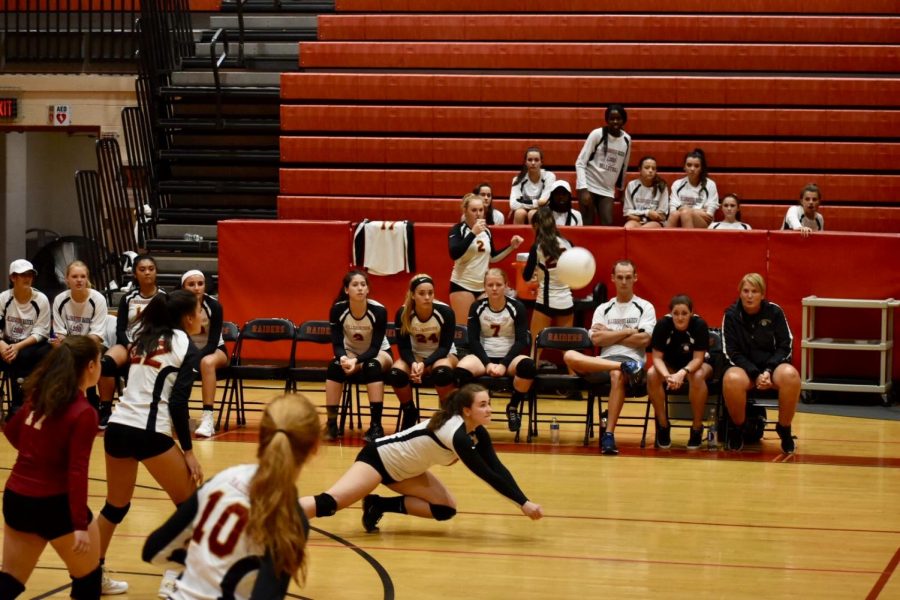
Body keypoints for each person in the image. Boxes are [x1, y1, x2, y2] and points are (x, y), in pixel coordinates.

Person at [143, 394, 320, 599]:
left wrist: (205, 562)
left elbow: (152, 549)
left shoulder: (222, 479)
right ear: (314, 447)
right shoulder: (291, 515)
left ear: (262, 436)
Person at [299, 384, 543, 532]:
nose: (489, 409)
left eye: (489, 403)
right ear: (467, 411)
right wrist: (523, 505)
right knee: (331, 503)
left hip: (405, 473)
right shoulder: (456, 434)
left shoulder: (475, 431)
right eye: (483, 405)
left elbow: (498, 468)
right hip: (378, 460)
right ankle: (276, 515)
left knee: (445, 509)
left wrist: (524, 499)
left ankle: (378, 505)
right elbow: (487, 476)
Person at [97, 290, 204, 594]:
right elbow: (178, 404)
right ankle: (175, 577)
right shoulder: (185, 346)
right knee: (191, 506)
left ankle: (91, 572)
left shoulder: (143, 338)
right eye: (199, 310)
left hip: (117, 428)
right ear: (187, 318)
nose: (203, 315)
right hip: (149, 431)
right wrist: (188, 451)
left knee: (114, 507)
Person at [0, 336, 103, 599]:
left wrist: (34, 453)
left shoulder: (39, 396)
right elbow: (77, 472)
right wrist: (79, 524)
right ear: (91, 366)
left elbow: (11, 432)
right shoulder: (84, 412)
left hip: (17, 498)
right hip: (55, 504)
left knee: (9, 583)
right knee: (89, 582)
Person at [563, 260, 656, 455]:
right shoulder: (603, 308)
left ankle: (609, 435)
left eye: (628, 277)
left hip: (633, 366)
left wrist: (611, 333)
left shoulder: (645, 307)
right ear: (613, 279)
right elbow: (596, 338)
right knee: (570, 355)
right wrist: (629, 331)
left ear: (635, 278)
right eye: (620, 277)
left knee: (616, 375)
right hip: (603, 364)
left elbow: (645, 339)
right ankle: (622, 366)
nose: (624, 281)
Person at [721, 273, 799, 453]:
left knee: (791, 375)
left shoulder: (774, 312)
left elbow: (785, 345)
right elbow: (731, 352)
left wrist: (768, 371)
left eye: (754, 291)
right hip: (744, 368)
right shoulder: (731, 315)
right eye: (746, 291)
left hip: (771, 368)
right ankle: (738, 428)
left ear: (762, 294)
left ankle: (784, 428)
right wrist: (755, 374)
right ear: (740, 293)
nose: (749, 296)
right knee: (731, 379)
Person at [455, 268, 535, 432]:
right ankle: (472, 412)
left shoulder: (517, 307)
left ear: (506, 285)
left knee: (528, 366)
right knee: (461, 371)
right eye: (490, 284)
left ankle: (513, 407)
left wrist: (504, 364)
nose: (494, 288)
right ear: (484, 287)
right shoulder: (477, 307)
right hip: (483, 355)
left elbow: (521, 341)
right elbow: (474, 340)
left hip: (510, 356)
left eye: (498, 284)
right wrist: (487, 363)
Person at [97, 254, 166, 428]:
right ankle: (105, 409)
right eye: (142, 270)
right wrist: (129, 345)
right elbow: (120, 328)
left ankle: (144, 410)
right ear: (135, 273)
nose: (147, 273)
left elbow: (167, 329)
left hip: (154, 345)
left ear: (156, 272)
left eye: (151, 269)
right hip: (129, 343)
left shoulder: (164, 298)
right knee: (105, 363)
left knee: (141, 364)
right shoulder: (127, 298)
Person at [324, 269, 393, 442]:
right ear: (347, 290)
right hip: (351, 352)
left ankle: (376, 426)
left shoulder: (379, 311)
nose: (360, 288)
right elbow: (338, 344)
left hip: (379, 353)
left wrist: (356, 361)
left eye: (363, 285)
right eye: (355, 285)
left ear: (368, 289)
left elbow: (375, 347)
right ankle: (331, 424)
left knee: (372, 366)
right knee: (334, 367)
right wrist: (343, 358)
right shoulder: (337, 310)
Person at [388, 274, 458, 430]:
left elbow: (444, 348)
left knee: (442, 372)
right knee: (396, 373)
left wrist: (424, 364)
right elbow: (404, 348)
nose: (427, 297)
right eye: (422, 293)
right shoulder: (403, 313)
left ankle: (446, 414)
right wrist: (414, 363)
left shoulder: (445, 312)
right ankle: (409, 411)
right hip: (416, 354)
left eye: (430, 293)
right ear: (413, 295)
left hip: (442, 355)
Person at [646, 295, 713, 450]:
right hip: (670, 366)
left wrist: (681, 373)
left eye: (684, 313)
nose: (680, 317)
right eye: (676, 313)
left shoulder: (699, 325)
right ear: (671, 313)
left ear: (691, 313)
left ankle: (696, 427)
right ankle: (663, 425)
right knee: (651, 374)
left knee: (696, 376)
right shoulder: (663, 325)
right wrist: (667, 376)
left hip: (697, 365)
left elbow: (698, 359)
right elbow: (656, 357)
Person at [448, 193, 523, 323]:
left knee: (483, 329)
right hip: (462, 285)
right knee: (465, 329)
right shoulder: (457, 230)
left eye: (481, 210)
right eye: (474, 210)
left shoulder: (486, 231)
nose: (478, 213)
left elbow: (492, 258)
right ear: (465, 211)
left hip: (483, 287)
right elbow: (454, 253)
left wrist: (511, 247)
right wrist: (472, 233)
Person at [51, 260, 109, 412]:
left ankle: (91, 400)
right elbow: (58, 333)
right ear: (67, 279)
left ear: (87, 279)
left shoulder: (98, 299)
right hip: (67, 345)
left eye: (83, 276)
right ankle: (60, 401)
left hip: (92, 345)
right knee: (52, 354)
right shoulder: (60, 300)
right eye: (75, 276)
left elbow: (96, 336)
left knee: (82, 358)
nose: (79, 280)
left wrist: (73, 347)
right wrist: (63, 344)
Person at [0, 259, 51, 417]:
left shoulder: (40, 299)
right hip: (5, 343)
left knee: (32, 354)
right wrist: (2, 345)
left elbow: (42, 331)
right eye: (22, 275)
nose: (27, 278)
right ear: (13, 278)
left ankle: (19, 402)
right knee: (14, 356)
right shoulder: (3, 298)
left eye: (30, 274)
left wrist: (17, 347)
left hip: (30, 345)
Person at [522, 207, 575, 360]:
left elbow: (526, 276)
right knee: (568, 352)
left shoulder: (537, 247)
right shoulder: (568, 243)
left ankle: (527, 383)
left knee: (536, 348)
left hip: (545, 301)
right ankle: (575, 382)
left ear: (537, 226)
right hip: (566, 300)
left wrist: (536, 273)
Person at [180, 270, 227, 438]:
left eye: (200, 284)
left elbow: (213, 342)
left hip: (214, 350)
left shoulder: (214, 306)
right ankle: (181, 416)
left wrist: (193, 359)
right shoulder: (177, 307)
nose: (197, 288)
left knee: (206, 363)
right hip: (187, 351)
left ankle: (208, 419)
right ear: (183, 287)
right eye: (191, 284)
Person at [575, 104, 632, 225]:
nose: (615, 121)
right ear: (607, 120)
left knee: (608, 223)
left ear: (624, 120)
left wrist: (621, 191)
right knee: (588, 223)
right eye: (612, 118)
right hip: (589, 184)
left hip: (607, 189)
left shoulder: (627, 139)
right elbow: (580, 162)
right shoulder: (597, 134)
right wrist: (583, 189)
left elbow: (623, 167)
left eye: (618, 118)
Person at [666, 148, 719, 229]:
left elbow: (709, 215)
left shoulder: (710, 185)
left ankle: (688, 241)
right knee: (675, 215)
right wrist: (696, 211)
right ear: (684, 167)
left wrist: (685, 209)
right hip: (681, 218)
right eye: (689, 165)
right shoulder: (677, 184)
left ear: (701, 168)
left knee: (685, 212)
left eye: (696, 166)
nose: (692, 169)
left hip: (704, 224)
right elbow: (673, 210)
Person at [508, 146, 556, 224]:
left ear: (541, 162)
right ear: (525, 162)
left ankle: (537, 236)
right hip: (524, 210)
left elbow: (545, 201)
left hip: (542, 212)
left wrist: (524, 203)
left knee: (532, 213)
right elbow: (513, 204)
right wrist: (537, 203)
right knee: (519, 213)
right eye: (530, 160)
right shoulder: (518, 179)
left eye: (536, 160)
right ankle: (517, 236)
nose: (533, 163)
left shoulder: (549, 176)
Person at [623, 156, 668, 229]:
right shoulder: (632, 185)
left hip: (655, 222)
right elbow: (627, 212)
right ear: (639, 169)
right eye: (647, 167)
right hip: (637, 220)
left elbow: (661, 216)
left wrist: (638, 215)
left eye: (653, 168)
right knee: (627, 227)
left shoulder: (662, 187)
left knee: (643, 230)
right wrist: (647, 213)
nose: (650, 171)